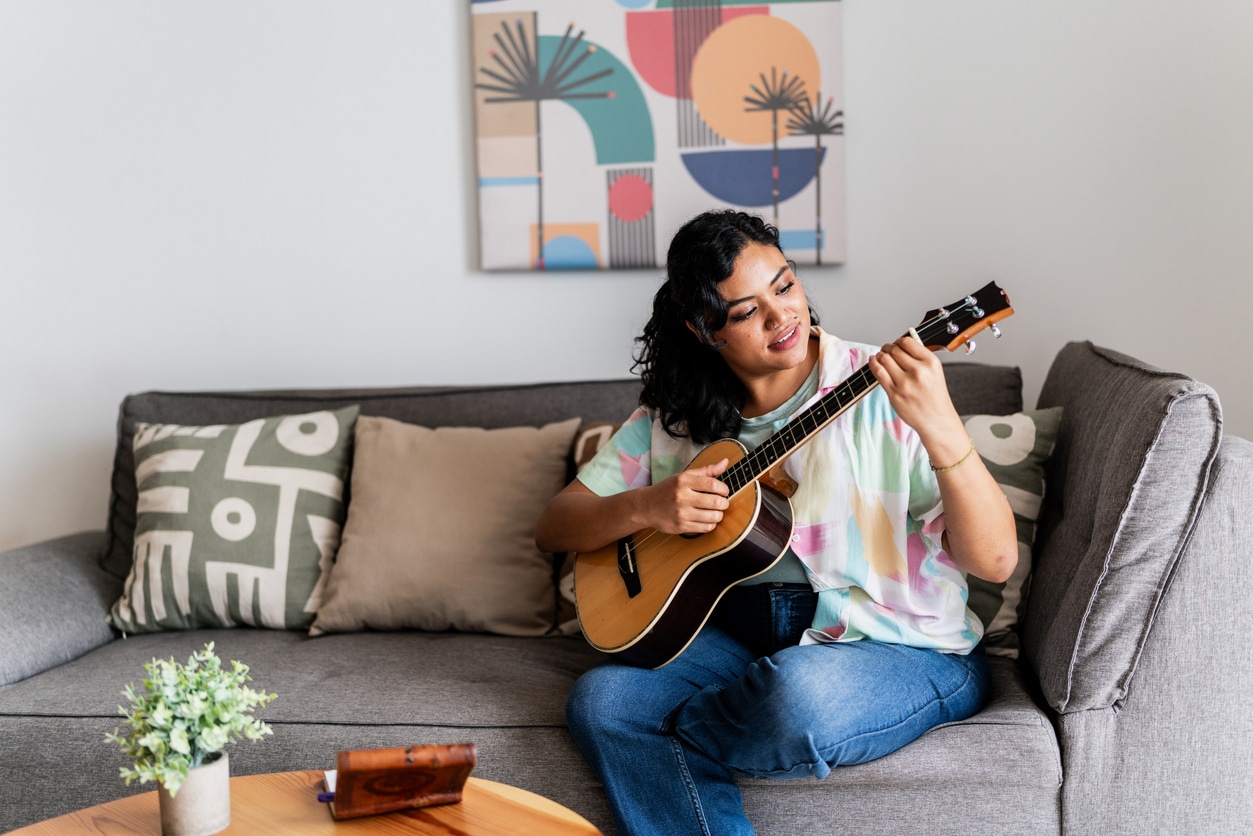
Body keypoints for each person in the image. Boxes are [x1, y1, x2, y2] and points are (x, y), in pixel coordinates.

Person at [534, 209, 1017, 836]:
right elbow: (556, 525)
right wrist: (648, 506)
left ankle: (669, 738)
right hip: (738, 643)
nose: (781, 316)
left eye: (785, 285)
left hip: (898, 643)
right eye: (744, 311)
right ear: (704, 330)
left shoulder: (884, 385)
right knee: (603, 702)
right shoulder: (676, 414)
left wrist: (942, 425)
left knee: (797, 699)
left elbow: (995, 562)